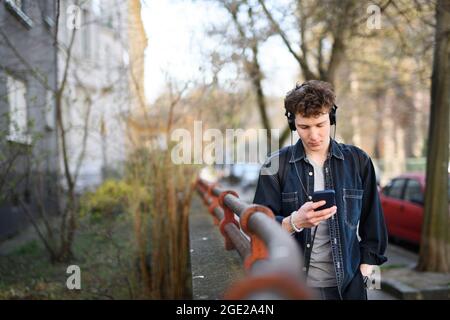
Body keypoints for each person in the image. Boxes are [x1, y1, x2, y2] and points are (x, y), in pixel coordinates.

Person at [253, 80, 388, 300]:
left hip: (349, 286)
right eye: (304, 127)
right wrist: (294, 221)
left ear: (331, 118)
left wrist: (366, 273)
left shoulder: (359, 161)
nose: (313, 135)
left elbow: (373, 222)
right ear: (292, 123)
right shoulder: (274, 165)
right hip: (294, 287)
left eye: (321, 124)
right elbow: (259, 225)